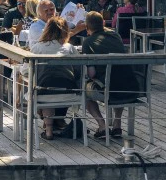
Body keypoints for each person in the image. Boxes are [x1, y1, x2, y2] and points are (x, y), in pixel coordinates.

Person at [82, 11, 136, 139]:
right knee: (118, 79)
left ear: (87, 27)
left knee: (83, 90)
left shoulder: (88, 42)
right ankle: (117, 124)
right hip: (129, 86)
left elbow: (92, 73)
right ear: (104, 23)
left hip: (108, 89)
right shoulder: (115, 36)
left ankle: (102, 125)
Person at [29, 17, 78, 140]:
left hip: (44, 92)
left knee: (45, 88)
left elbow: (26, 70)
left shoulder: (37, 47)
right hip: (69, 93)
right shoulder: (70, 48)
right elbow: (79, 70)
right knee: (54, 84)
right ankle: (57, 122)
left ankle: (49, 131)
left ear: (46, 30)